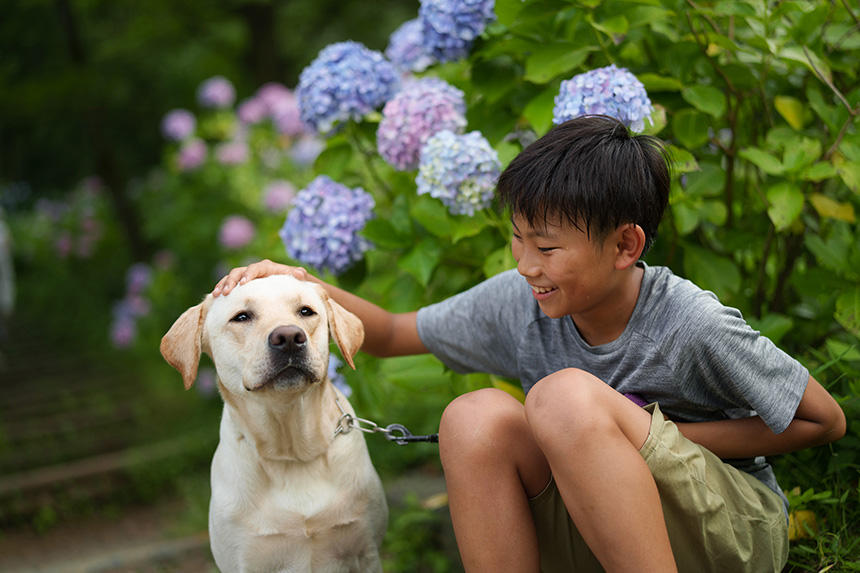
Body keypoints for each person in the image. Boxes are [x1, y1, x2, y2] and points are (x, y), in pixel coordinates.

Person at [213, 115, 846, 572]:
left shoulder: (689, 321)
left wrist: (641, 435)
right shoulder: (526, 301)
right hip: (603, 530)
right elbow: (393, 334)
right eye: (518, 240)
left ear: (626, 246)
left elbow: (824, 421)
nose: (525, 265)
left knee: (564, 400)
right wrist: (300, 284)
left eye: (546, 247)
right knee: (476, 416)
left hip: (728, 534)